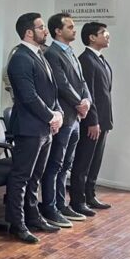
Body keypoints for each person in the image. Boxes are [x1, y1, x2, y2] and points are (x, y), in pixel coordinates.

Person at [5, 12, 63, 244]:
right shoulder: (20, 57)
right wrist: (51, 116)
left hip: (44, 127)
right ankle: (17, 224)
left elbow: (52, 91)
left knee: (36, 176)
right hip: (29, 127)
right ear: (29, 32)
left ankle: (33, 216)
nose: (45, 31)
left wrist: (58, 113)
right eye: (41, 27)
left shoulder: (39, 54)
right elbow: (28, 96)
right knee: (21, 177)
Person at [41, 13, 92, 227]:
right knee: (55, 164)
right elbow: (61, 84)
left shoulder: (71, 52)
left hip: (76, 118)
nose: (74, 30)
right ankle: (50, 207)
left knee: (66, 165)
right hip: (64, 116)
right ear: (58, 31)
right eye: (70, 27)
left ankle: (61, 204)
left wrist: (87, 100)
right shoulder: (52, 53)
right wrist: (79, 102)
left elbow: (82, 82)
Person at [70, 22, 114, 215]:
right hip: (92, 122)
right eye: (103, 32)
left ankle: (90, 195)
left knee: (95, 162)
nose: (108, 35)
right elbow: (89, 95)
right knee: (83, 162)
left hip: (103, 120)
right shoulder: (86, 60)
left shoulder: (101, 59)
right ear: (92, 37)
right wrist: (92, 121)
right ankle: (78, 201)